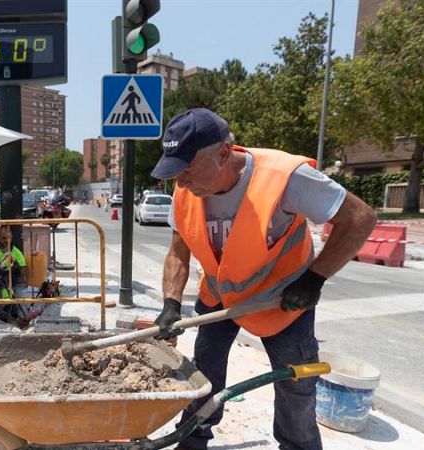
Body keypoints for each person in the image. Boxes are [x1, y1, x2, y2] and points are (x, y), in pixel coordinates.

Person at [151, 109, 376, 450]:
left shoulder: (285, 177)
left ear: (223, 154)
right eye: (175, 172)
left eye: (187, 169)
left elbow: (360, 219)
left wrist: (314, 280)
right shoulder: (187, 192)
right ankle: (193, 440)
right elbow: (178, 251)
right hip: (219, 297)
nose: (180, 182)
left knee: (296, 385)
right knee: (203, 378)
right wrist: (170, 303)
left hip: (283, 301)